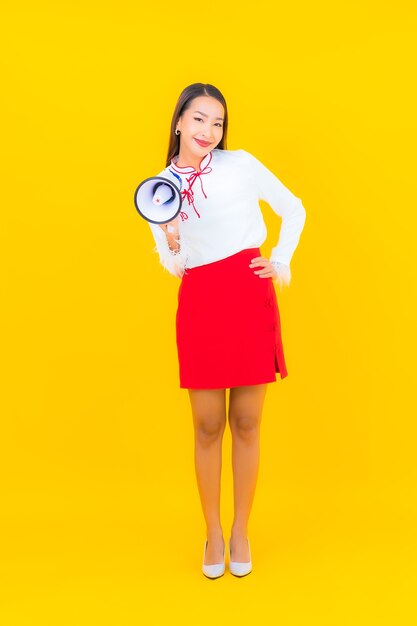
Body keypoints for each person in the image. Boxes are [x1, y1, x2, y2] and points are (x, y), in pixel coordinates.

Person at [147, 83, 306, 578]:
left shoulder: (240, 165)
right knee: (208, 424)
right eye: (199, 120)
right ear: (178, 122)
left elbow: (293, 207)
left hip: (247, 295)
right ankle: (212, 532)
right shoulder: (157, 187)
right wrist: (171, 239)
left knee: (247, 423)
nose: (208, 132)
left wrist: (279, 260)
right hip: (201, 300)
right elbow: (174, 262)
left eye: (217, 123)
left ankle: (240, 531)